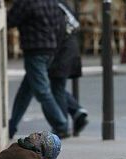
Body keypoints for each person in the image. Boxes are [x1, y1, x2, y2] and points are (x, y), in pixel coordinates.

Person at [7, 0, 69, 139]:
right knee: (26, 91)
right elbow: (60, 24)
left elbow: (10, 20)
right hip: (50, 49)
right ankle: (12, 126)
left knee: (41, 91)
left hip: (35, 49)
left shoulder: (27, 2)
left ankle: (61, 124)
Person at [49, 1, 88, 136]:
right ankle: (77, 111)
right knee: (55, 86)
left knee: (57, 87)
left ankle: (63, 125)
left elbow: (57, 32)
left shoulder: (54, 6)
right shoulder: (61, 5)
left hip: (63, 52)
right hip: (69, 49)